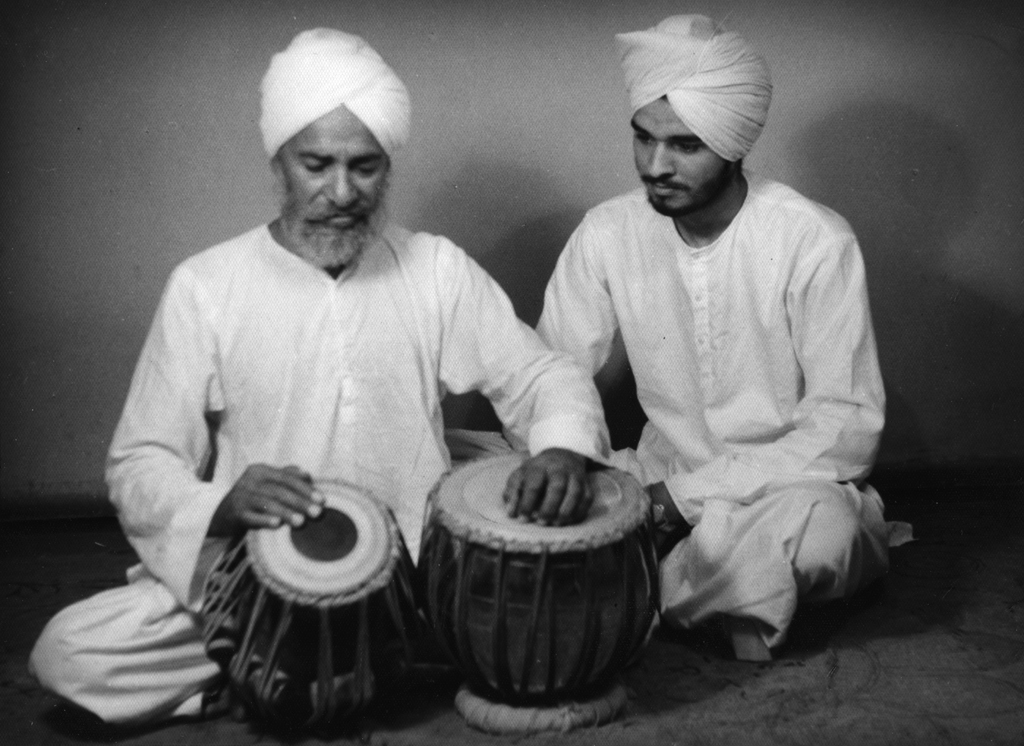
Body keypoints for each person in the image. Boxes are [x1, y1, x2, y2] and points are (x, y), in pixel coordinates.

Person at [28, 28, 610, 725]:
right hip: (267, 581)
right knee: (71, 651)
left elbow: (541, 372)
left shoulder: (434, 269)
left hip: (425, 579)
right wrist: (221, 504)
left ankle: (309, 672)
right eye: (317, 164)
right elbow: (140, 461)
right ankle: (308, 662)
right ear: (278, 163)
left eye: (364, 167)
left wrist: (560, 448)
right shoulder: (207, 286)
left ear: (388, 168)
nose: (341, 192)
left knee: (568, 583)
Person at [532, 15, 895, 661]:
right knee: (454, 462)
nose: (656, 166)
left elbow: (847, 427)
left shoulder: (812, 239)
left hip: (781, 489)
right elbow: (552, 371)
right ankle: (701, 587)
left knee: (821, 537)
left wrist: (677, 504)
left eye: (685, 146)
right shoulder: (607, 230)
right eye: (643, 138)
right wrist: (574, 469)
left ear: (733, 146)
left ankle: (628, 578)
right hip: (654, 472)